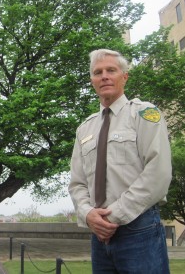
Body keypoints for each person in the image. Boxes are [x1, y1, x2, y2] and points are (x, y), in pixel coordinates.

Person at [68, 49, 172, 273]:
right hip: (99, 235)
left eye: (111, 70)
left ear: (124, 77)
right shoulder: (84, 128)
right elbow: (77, 183)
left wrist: (112, 216)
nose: (104, 76)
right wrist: (88, 214)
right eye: (98, 72)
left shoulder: (145, 114)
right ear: (92, 82)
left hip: (139, 228)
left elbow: (158, 174)